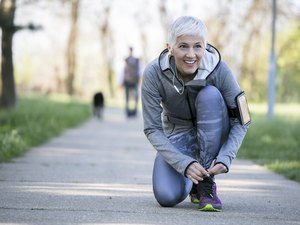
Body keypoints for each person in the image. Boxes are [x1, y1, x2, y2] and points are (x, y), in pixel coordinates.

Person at [141, 16, 250, 212]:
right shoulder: (154, 73)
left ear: (205, 46)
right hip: (178, 135)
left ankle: (206, 183)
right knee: (166, 196)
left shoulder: (220, 69)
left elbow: (243, 120)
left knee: (209, 94)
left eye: (197, 46)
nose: (191, 54)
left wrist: (226, 157)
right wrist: (184, 163)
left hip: (215, 130)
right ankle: (193, 180)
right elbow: (152, 129)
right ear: (170, 48)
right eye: (183, 46)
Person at [123, 46, 141, 118]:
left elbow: (140, 70)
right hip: (127, 81)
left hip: (135, 81)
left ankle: (135, 112)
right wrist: (121, 81)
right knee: (127, 97)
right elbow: (123, 71)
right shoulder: (126, 60)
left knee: (136, 96)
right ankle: (128, 112)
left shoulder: (137, 60)